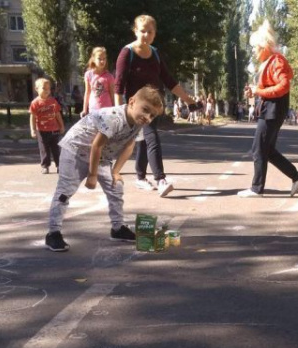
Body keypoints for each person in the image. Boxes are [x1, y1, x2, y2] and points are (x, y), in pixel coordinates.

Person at [43, 86, 164, 252]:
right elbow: (96, 145)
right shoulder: (113, 118)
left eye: (152, 115)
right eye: (145, 110)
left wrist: (116, 171)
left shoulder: (138, 123)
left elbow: (129, 146)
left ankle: (118, 228)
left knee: (116, 187)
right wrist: (92, 175)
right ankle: (53, 233)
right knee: (65, 191)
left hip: (100, 157)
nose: (147, 117)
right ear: (131, 102)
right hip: (76, 150)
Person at [114, 14, 202, 196]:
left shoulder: (155, 53)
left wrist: (188, 100)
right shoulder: (127, 53)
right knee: (151, 137)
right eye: (142, 31)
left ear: (154, 34)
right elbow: (119, 85)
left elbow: (169, 81)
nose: (145, 35)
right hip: (135, 107)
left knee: (145, 140)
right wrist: (117, 111)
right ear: (135, 31)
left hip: (153, 106)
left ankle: (140, 178)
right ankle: (160, 179)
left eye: (150, 31)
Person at [238, 20, 298, 198]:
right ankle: (296, 176)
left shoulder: (276, 61)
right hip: (271, 109)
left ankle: (256, 188)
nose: (254, 51)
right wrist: (255, 92)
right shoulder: (272, 60)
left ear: (264, 46)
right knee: (267, 150)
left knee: (258, 149)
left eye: (255, 47)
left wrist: (258, 91)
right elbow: (272, 87)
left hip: (272, 111)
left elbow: (283, 86)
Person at [29, 77, 65, 174]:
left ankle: (59, 165)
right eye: (44, 88)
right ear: (36, 89)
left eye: (48, 89)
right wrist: (32, 130)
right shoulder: (35, 103)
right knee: (44, 149)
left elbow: (58, 114)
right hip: (42, 130)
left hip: (54, 130)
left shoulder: (53, 101)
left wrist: (61, 126)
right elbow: (32, 117)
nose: (46, 91)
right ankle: (45, 166)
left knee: (56, 149)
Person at [81, 47, 115, 117]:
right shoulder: (88, 74)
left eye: (104, 59)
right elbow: (87, 92)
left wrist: (115, 108)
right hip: (93, 110)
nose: (102, 61)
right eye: (99, 59)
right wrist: (84, 109)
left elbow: (112, 94)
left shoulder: (109, 76)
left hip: (107, 110)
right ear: (93, 59)